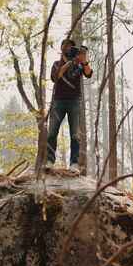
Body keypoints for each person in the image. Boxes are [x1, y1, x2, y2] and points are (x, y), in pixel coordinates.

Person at [46, 39, 93, 172]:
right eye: (66, 46)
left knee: (75, 134)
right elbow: (56, 76)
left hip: (74, 101)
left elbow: (89, 74)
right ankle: (49, 160)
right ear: (61, 49)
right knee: (52, 133)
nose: (68, 49)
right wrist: (68, 63)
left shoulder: (78, 65)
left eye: (71, 47)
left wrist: (84, 61)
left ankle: (74, 163)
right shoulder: (57, 64)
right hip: (58, 101)